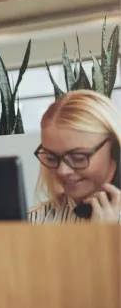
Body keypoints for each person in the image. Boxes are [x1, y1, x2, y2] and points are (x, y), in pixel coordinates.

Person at [29, 89, 121, 223]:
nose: (62, 171)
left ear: (114, 151)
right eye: (52, 158)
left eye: (78, 158)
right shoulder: (32, 223)